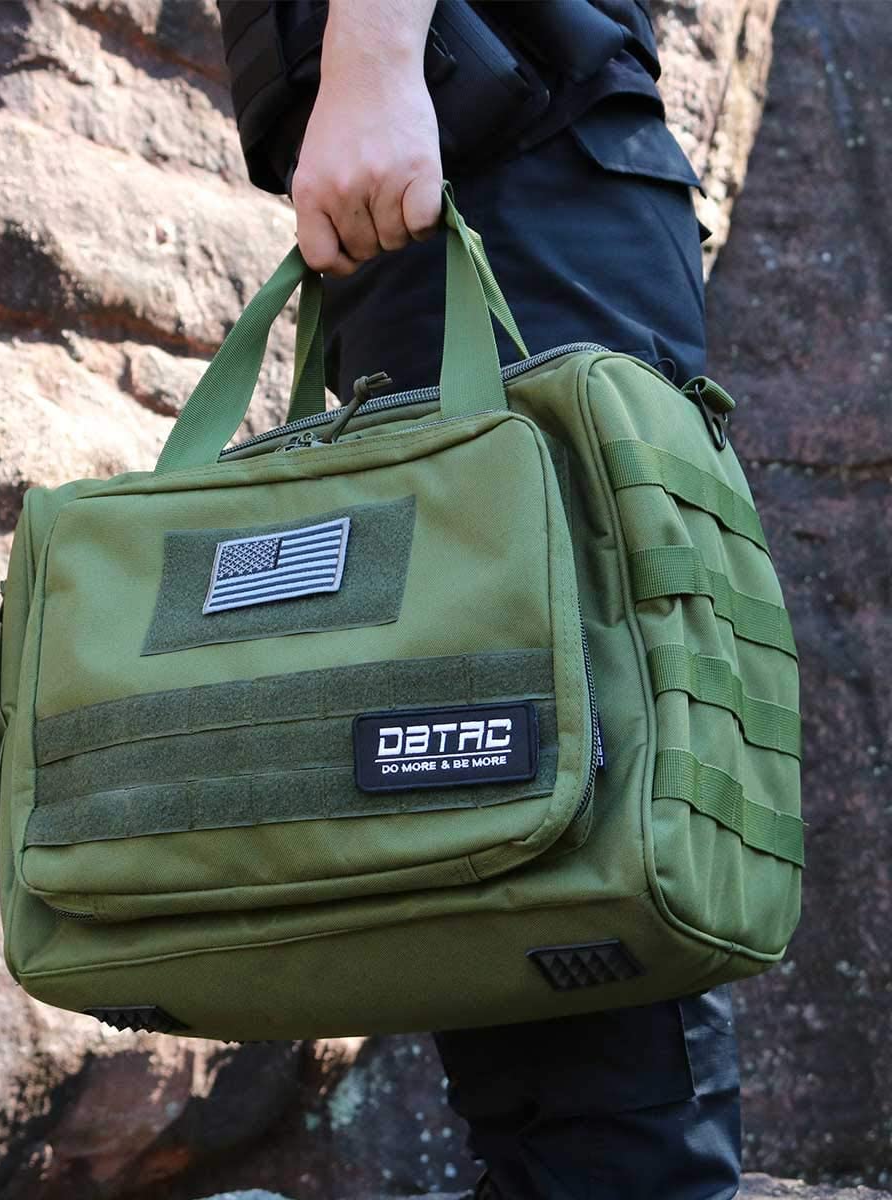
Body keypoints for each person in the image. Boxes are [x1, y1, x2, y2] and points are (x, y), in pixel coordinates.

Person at [216, 2, 741, 1198]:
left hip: (507, 153)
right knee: (492, 828)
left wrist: (372, 64)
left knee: (585, 812)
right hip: (466, 173)